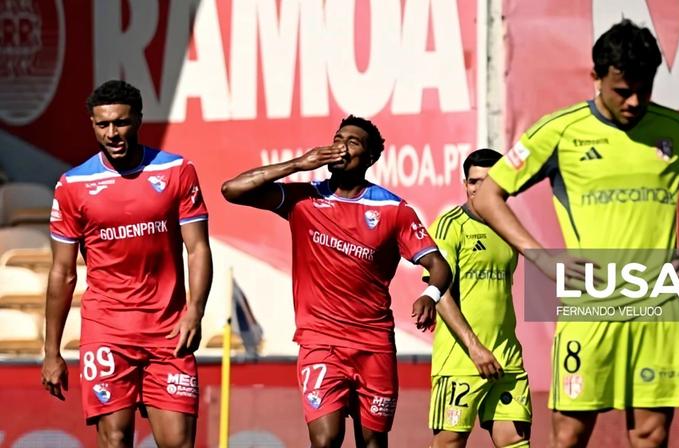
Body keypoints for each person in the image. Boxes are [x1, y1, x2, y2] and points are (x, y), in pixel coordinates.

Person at [472, 19, 679, 448]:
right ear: (596, 78)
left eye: (643, 89)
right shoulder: (559, 131)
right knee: (570, 434)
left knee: (650, 434)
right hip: (589, 309)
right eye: (622, 90)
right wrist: (543, 258)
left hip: (658, 308)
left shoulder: (677, 130)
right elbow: (488, 197)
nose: (634, 102)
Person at [221, 115, 452, 448]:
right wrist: (299, 164)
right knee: (326, 438)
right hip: (320, 342)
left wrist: (430, 295)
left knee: (372, 442)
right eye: (338, 138)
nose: (341, 146)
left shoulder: (392, 210)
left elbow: (438, 264)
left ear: (370, 158)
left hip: (373, 344)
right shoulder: (303, 199)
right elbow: (232, 190)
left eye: (353, 142)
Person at [41, 80, 213, 448]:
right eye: (103, 125)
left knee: (179, 443)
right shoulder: (73, 184)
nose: (112, 133)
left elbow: (197, 249)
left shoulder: (176, 171)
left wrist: (195, 312)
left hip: (168, 331)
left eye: (120, 123)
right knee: (115, 439)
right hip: (107, 331)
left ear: (138, 120)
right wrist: (51, 351)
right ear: (92, 123)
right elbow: (63, 272)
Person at [426, 148, 532, 448]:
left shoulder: (510, 229)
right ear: (465, 184)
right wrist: (475, 348)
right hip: (461, 360)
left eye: (488, 182)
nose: (479, 190)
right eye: (474, 182)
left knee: (514, 442)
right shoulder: (450, 226)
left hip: (507, 358)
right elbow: (439, 290)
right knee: (449, 442)